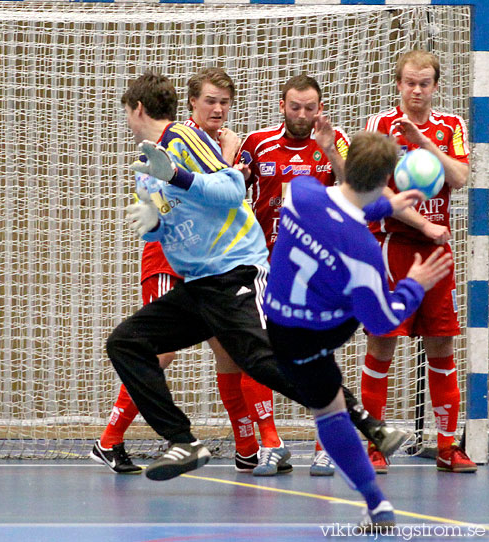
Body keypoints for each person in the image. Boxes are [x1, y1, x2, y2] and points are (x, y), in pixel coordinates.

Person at [106, 72, 407, 489]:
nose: (127, 119)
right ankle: (183, 440)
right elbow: (167, 220)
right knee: (126, 342)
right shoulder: (146, 163)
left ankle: (365, 422)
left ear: (136, 109)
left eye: (126, 112)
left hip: (232, 271)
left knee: (265, 362)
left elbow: (231, 190)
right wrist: (152, 222)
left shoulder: (181, 139)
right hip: (199, 283)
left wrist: (177, 177)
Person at [91, 68, 292, 477]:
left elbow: (229, 195)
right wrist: (152, 218)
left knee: (234, 352)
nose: (218, 108)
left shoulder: (220, 144)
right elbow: (178, 201)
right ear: (190, 105)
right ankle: (118, 439)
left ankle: (251, 445)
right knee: (156, 350)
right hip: (175, 263)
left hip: (216, 267)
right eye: (210, 101)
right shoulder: (178, 140)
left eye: (225, 102)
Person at [263, 130, 453, 529]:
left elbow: (338, 209)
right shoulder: (364, 253)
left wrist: (383, 207)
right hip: (316, 336)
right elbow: (383, 321)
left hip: (278, 323)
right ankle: (376, 503)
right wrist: (414, 284)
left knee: (328, 398)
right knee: (330, 409)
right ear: (387, 179)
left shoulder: (300, 192)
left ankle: (375, 500)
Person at [360, 50, 476, 474]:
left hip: (438, 250)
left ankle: (447, 447)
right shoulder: (379, 126)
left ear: (435, 86)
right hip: (394, 247)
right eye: (410, 82)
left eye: (424, 83)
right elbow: (371, 191)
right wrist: (422, 226)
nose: (417, 90)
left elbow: (460, 177)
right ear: (398, 84)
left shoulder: (450, 127)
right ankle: (375, 445)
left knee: (443, 345)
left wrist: (425, 141)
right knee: (381, 343)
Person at [237, 74, 350, 476]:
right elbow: (235, 189)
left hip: (317, 270)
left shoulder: (334, 143)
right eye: (294, 107)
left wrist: (329, 151)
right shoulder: (257, 144)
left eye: (309, 108)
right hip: (264, 265)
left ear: (319, 108)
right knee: (255, 354)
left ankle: (326, 445)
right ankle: (270, 443)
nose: (302, 115)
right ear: (282, 106)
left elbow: (357, 188)